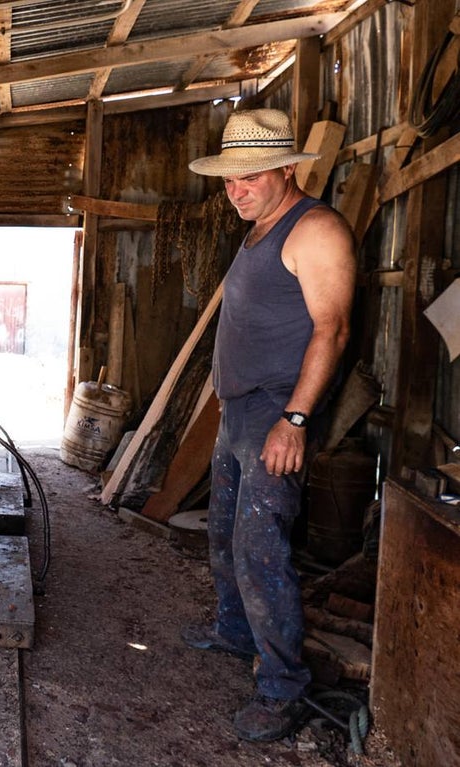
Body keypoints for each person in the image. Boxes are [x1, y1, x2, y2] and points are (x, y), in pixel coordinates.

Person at [181, 108, 355, 742]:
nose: (237, 190)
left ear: (287, 167)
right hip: (240, 410)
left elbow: (331, 331)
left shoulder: (316, 231)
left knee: (262, 551)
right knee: (225, 535)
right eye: (229, 181)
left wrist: (295, 420)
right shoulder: (259, 227)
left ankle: (283, 687)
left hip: (276, 414)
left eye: (250, 177)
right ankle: (234, 632)